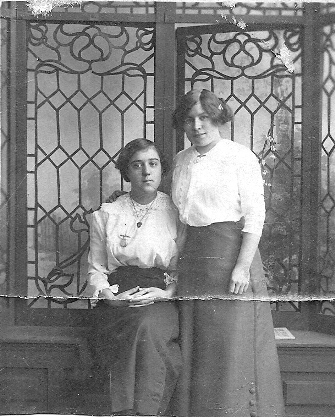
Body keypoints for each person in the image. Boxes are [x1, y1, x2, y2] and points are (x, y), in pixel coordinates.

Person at [171, 89, 285, 417]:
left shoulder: (239, 156)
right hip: (194, 262)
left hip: (230, 257)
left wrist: (242, 267)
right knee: (198, 346)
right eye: (190, 119)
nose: (197, 125)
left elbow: (255, 215)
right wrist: (176, 262)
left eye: (204, 117)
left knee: (230, 347)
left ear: (217, 118)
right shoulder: (181, 160)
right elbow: (182, 219)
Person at [87, 138, 183, 416]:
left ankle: (141, 412)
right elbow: (96, 268)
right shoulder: (107, 213)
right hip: (118, 298)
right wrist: (110, 297)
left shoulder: (177, 212)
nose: (146, 172)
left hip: (161, 297)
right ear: (126, 172)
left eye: (153, 164)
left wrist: (166, 293)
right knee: (135, 329)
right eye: (137, 165)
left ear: (161, 169)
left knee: (148, 328)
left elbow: (182, 267)